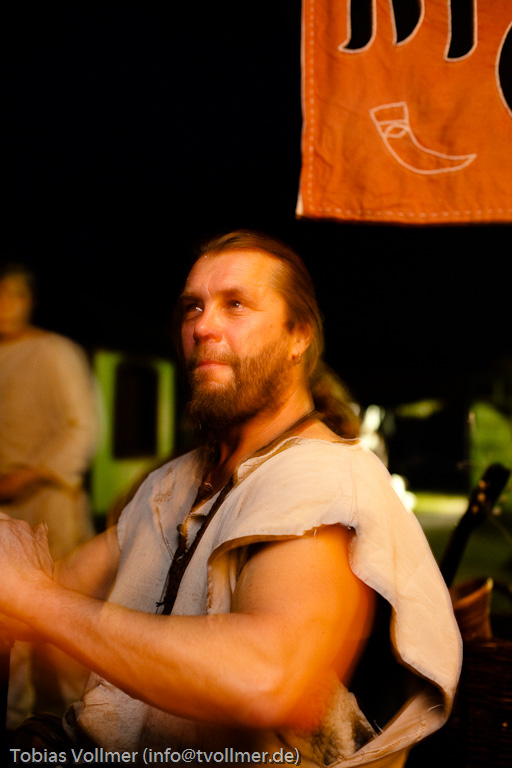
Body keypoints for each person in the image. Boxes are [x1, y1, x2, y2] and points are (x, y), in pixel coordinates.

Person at [0, 233, 461, 767]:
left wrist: (36, 601)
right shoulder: (172, 483)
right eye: (193, 307)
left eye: (235, 304)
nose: (202, 326)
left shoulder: (325, 478)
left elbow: (266, 677)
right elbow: (55, 586)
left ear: (298, 336)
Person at [0, 262, 100, 726]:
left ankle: (77, 729)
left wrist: (30, 474)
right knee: (8, 624)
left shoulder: (55, 352)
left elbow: (83, 429)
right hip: (3, 506)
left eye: (15, 295)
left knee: (60, 623)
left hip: (49, 503)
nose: (6, 305)